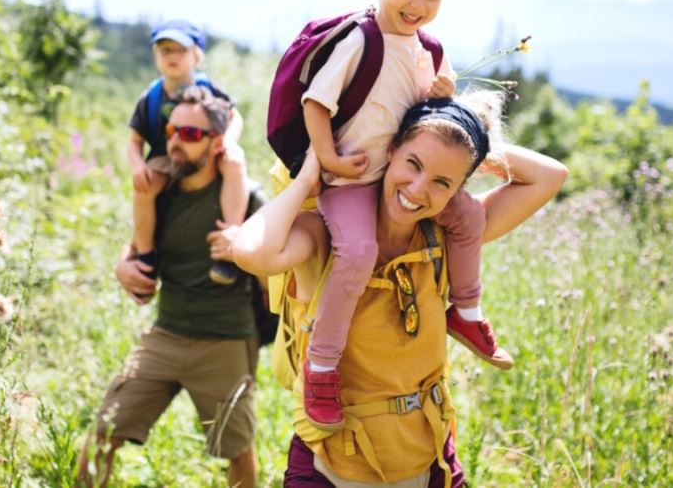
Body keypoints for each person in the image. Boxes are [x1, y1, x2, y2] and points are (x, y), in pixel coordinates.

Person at [234, 92, 568, 486]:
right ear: (389, 150)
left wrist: (467, 137)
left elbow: (551, 176)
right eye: (413, 163)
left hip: (428, 462)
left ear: (457, 189)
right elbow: (250, 252)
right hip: (330, 466)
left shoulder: (447, 237)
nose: (418, 188)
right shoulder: (326, 236)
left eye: (442, 181)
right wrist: (308, 179)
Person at [292, 0, 508, 431]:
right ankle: (321, 365)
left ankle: (467, 311)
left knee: (468, 218)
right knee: (358, 252)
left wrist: (443, 92)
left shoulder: (428, 48)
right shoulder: (359, 41)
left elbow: (441, 103)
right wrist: (329, 160)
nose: (418, 4)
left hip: (399, 177)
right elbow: (315, 103)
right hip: (351, 179)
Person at [77, 87, 263, 488]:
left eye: (191, 134)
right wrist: (122, 267)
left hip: (226, 340)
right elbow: (136, 248)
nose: (176, 141)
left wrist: (245, 251)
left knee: (238, 450)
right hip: (166, 334)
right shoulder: (161, 192)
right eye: (172, 130)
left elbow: (276, 267)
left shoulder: (247, 196)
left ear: (217, 143)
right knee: (100, 437)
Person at [127, 20, 248, 286]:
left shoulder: (210, 88)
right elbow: (134, 140)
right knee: (144, 189)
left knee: (235, 164)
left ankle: (229, 243)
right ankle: (146, 255)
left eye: (180, 50)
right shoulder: (151, 97)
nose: (172, 57)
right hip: (165, 156)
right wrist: (138, 166)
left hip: (207, 150)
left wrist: (227, 141)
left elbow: (234, 117)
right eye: (165, 50)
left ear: (196, 56)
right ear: (155, 56)